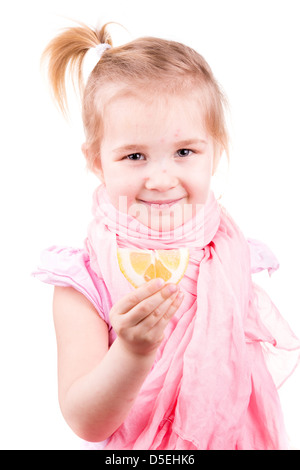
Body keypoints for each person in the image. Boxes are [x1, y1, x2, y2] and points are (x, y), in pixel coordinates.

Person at [33, 21, 300, 450]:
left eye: (184, 152)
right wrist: (132, 353)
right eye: (134, 155)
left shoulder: (228, 256)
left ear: (214, 150)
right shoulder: (84, 277)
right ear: (97, 161)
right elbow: (85, 421)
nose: (161, 179)